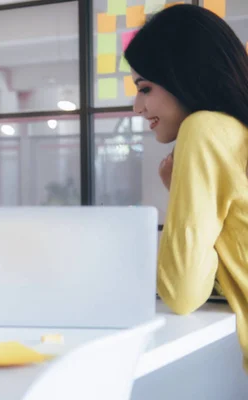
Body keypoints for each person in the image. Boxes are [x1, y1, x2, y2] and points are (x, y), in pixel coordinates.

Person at [125, 4, 248, 372]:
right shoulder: (235, 135)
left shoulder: (204, 129)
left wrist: (180, 191)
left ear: (186, 77)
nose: (137, 107)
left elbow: (182, 293)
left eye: (145, 88)